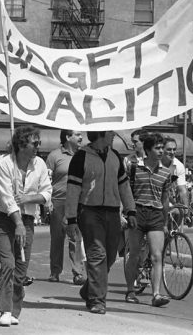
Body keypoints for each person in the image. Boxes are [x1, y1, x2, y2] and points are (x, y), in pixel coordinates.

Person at [66, 131, 136, 315]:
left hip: (112, 212)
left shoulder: (115, 157)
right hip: (88, 211)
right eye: (111, 133)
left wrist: (130, 210)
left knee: (111, 255)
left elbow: (124, 186)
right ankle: (97, 300)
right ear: (101, 134)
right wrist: (71, 219)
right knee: (97, 254)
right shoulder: (81, 157)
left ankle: (89, 288)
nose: (114, 136)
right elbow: (72, 190)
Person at [0, 125, 52, 326]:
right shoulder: (3, 163)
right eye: (34, 143)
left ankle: (15, 308)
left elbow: (46, 193)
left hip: (27, 220)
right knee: (8, 263)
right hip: (5, 219)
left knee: (21, 268)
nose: (38, 147)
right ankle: (5, 309)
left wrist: (29, 197)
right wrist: (16, 222)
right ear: (21, 144)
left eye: (39, 143)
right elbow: (6, 196)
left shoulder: (40, 165)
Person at [124, 132, 172, 308]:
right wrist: (126, 213)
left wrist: (165, 222)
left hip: (156, 215)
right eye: (157, 148)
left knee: (157, 256)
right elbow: (126, 191)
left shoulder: (166, 172)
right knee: (134, 254)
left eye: (162, 148)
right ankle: (130, 290)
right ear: (148, 150)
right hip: (137, 212)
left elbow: (165, 199)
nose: (161, 151)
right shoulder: (134, 167)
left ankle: (156, 294)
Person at [45, 130, 87, 285]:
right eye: (77, 134)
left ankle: (78, 273)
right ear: (68, 137)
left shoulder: (84, 155)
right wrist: (47, 201)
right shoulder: (54, 156)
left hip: (76, 202)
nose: (81, 137)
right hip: (58, 201)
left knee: (75, 238)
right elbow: (46, 180)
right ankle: (55, 272)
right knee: (57, 238)